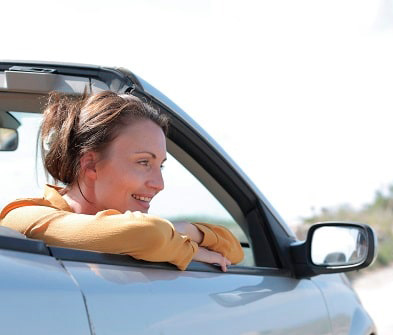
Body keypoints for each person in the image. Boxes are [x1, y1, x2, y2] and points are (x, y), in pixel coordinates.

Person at [0, 91, 243, 271]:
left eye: (160, 165)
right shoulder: (23, 216)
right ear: (90, 164)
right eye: (144, 162)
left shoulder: (129, 233)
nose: (159, 184)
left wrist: (187, 231)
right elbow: (150, 234)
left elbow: (233, 249)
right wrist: (185, 246)